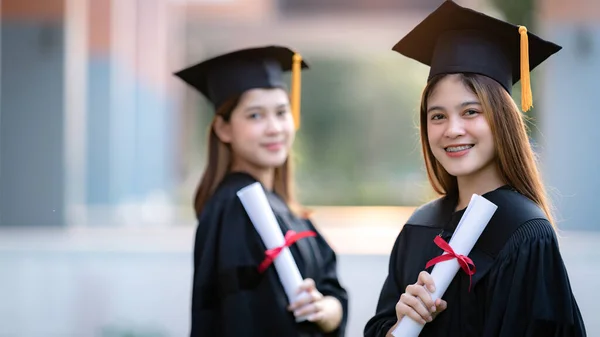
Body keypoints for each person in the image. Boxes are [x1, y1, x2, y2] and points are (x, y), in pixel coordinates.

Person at [364, 2, 586, 336]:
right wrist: (398, 326)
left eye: (470, 111)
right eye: (437, 116)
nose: (452, 129)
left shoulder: (524, 232)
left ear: (503, 120)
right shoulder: (419, 227)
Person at [173, 45, 348, 337]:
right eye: (255, 116)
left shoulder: (281, 207)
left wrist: (328, 309)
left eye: (282, 112)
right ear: (223, 129)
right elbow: (246, 318)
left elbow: (330, 287)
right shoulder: (235, 208)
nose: (274, 128)